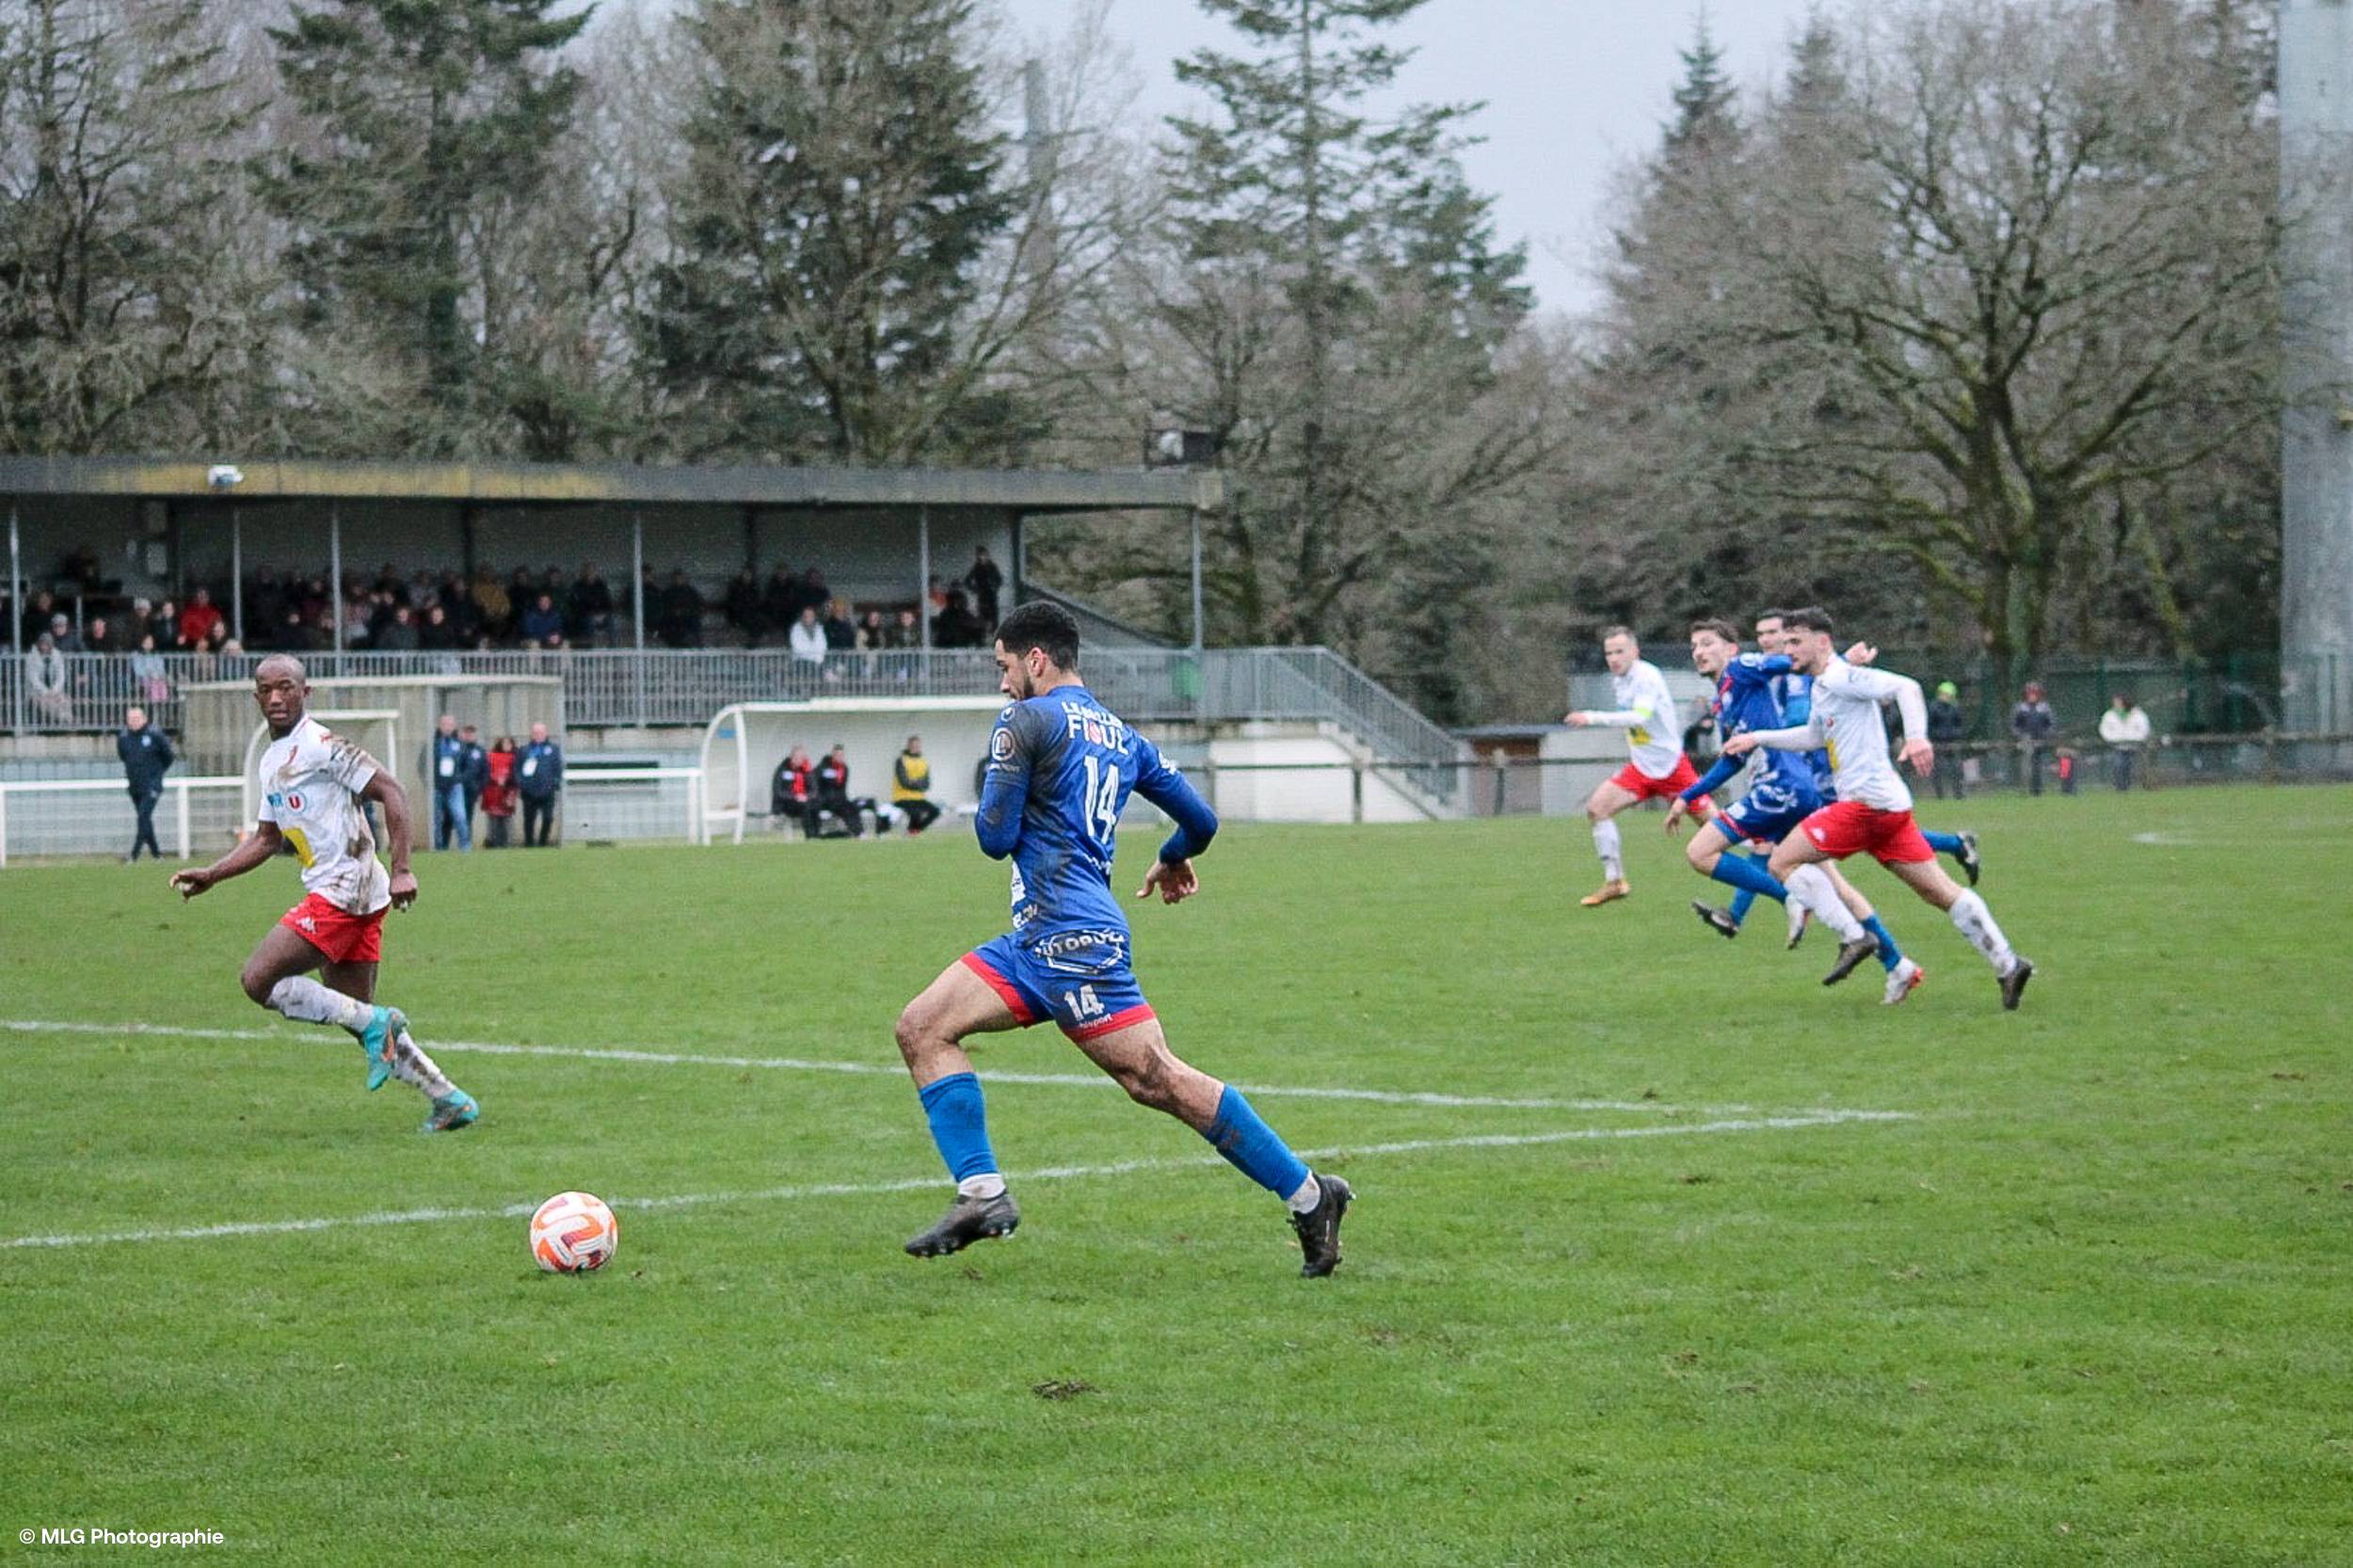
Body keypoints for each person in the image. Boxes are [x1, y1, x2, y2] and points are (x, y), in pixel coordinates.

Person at [890, 601, 1353, 1273]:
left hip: (1070, 938)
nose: (1002, 683)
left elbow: (993, 839)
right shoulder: (1121, 735)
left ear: (1036, 660)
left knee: (1157, 1079)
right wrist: (1172, 854)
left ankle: (1312, 1196)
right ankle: (983, 1194)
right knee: (922, 1026)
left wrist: (1007, 771)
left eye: (1004, 667)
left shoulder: (1025, 720)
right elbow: (1200, 820)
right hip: (1039, 938)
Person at [167, 655, 478, 1130]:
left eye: (286, 687)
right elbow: (267, 839)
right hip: (354, 893)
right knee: (360, 1019)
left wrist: (403, 869)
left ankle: (383, 1028)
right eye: (267, 690)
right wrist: (214, 874)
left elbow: (392, 791)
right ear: (256, 697)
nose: (276, 698)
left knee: (258, 981)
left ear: (305, 692)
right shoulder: (273, 761)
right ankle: (449, 1099)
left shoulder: (322, 745)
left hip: (344, 889)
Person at [1722, 608, 2034, 1009]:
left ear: (1822, 642)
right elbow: (1814, 736)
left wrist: (1918, 737)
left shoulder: (1840, 676)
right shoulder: (1823, 686)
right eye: (1785, 644)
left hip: (1865, 806)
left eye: (1795, 641)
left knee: (1782, 861)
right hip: (1889, 808)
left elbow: (1906, 688)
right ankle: (2008, 965)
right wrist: (1758, 738)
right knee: (1941, 893)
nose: (1789, 651)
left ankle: (1855, 937)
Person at [1665, 621, 1922, 1002]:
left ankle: (1790, 899)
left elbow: (1787, 662)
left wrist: (1840, 658)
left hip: (1778, 789)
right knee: (1834, 885)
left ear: (1731, 649)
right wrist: (1690, 795)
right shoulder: (1724, 698)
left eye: (1707, 644)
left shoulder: (1742, 667)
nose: (1698, 651)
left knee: (1700, 852)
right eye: (1693, 645)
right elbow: (1733, 760)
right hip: (1793, 790)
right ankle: (1898, 966)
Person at [1564, 626, 1711, 905]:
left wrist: (1592, 717)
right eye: (1609, 653)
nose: (1614, 658)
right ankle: (1615, 881)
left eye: (1620, 651)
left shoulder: (1646, 677)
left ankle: (1770, 853)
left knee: (1719, 829)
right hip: (1642, 768)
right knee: (1597, 809)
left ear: (1635, 651)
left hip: (1671, 769)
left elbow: (1639, 717)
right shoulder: (1621, 679)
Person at [117, 706, 175, 863]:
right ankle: (157, 855)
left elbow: (169, 756)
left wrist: (157, 775)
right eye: (130, 719)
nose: (133, 722)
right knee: (145, 820)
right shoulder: (123, 738)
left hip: (152, 786)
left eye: (136, 718)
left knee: (143, 816)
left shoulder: (155, 735)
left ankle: (134, 855)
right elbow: (124, 757)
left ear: (144, 719)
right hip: (135, 786)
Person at [815, 743, 882, 836]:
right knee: (846, 808)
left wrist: (844, 799)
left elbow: (842, 788)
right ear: (833, 755)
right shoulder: (823, 767)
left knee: (851, 807)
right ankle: (858, 833)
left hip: (839, 800)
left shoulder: (844, 769)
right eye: (837, 755)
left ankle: (860, 833)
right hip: (826, 801)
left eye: (841, 755)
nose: (839, 757)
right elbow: (816, 784)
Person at [426, 714, 472, 852]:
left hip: (454, 786)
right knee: (436, 819)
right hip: (437, 786)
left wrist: (460, 778)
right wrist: (430, 780)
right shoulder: (433, 744)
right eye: (444, 724)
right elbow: (423, 764)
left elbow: (467, 764)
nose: (447, 727)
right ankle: (438, 847)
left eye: (450, 724)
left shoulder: (460, 744)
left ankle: (465, 846)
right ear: (440, 726)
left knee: (460, 816)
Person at [517, 721, 564, 847]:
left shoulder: (553, 749)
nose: (538, 735)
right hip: (529, 792)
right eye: (535, 733)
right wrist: (523, 784)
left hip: (547, 791)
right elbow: (518, 769)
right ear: (532, 734)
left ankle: (543, 842)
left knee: (548, 818)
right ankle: (529, 844)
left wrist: (554, 784)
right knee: (529, 820)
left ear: (545, 733)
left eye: (541, 732)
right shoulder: (524, 750)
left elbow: (558, 768)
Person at [2010, 682, 2057, 795]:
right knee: (2026, 765)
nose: (2032, 696)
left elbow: (2051, 724)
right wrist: (2020, 736)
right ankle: (2024, 789)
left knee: (2038, 765)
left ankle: (2037, 789)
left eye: (2035, 693)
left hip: (2040, 740)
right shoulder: (2020, 708)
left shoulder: (2045, 708)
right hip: (2025, 740)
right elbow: (2014, 725)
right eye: (2030, 693)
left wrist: (2046, 735)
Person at [2099, 695, 2152, 791]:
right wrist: (2113, 739)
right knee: (2118, 765)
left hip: (2135, 746)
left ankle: (2131, 785)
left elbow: (2144, 729)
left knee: (2130, 767)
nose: (2116, 704)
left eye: (2118, 702)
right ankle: (2121, 787)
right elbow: (2104, 729)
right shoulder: (2109, 715)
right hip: (2117, 746)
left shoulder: (2138, 714)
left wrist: (2135, 739)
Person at [1927, 680, 1969, 800]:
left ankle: (1959, 794)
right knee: (1938, 769)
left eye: (1949, 695)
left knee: (1957, 768)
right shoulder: (1933, 708)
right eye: (1944, 694)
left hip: (1953, 742)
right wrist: (1936, 736)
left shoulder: (1955, 708)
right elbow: (1929, 726)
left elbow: (1960, 724)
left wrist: (1956, 734)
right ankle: (1940, 795)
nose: (1946, 697)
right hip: (1937, 742)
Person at [893, 735, 940, 835]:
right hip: (902, 797)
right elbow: (904, 782)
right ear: (908, 746)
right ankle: (912, 831)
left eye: (918, 746)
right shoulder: (901, 760)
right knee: (916, 813)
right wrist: (919, 784)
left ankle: (916, 830)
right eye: (914, 745)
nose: (916, 748)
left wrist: (914, 783)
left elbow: (927, 783)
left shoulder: (923, 761)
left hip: (918, 797)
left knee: (935, 811)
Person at [481, 736, 519, 848]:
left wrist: (508, 781)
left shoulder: (515, 757)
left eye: (509, 744)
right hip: (493, 791)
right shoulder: (491, 756)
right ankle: (492, 842)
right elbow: (486, 772)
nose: (507, 746)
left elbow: (516, 773)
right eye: (504, 743)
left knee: (506, 819)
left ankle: (506, 843)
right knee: (493, 818)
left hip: (508, 791)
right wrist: (495, 779)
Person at [24, 632, 71, 723]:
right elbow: (33, 679)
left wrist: (55, 690)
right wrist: (45, 692)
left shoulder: (57, 655)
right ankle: (62, 719)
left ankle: (68, 722)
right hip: (36, 691)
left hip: (54, 690)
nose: (45, 646)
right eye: (43, 644)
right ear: (39, 644)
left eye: (47, 644)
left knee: (65, 700)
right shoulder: (31, 657)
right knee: (45, 703)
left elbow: (61, 676)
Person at [771, 746, 817, 834]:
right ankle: (810, 835)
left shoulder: (807, 770)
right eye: (797, 757)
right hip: (787, 803)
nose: (800, 760)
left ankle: (816, 835)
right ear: (791, 757)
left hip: (804, 801)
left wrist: (806, 796)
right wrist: (795, 797)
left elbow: (814, 790)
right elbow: (777, 791)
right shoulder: (782, 769)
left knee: (815, 805)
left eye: (802, 758)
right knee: (806, 807)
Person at [457, 724, 488, 837]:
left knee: (468, 818)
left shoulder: (480, 751)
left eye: (471, 733)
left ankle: (466, 844)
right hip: (457, 789)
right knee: (454, 818)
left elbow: (485, 771)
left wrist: (480, 788)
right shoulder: (457, 749)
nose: (469, 736)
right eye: (467, 733)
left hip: (472, 790)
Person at [965, 544, 1003, 626]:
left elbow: (1000, 580)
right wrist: (975, 590)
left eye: (982, 554)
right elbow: (967, 581)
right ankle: (984, 634)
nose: (980, 557)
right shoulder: (976, 567)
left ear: (986, 555)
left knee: (994, 617)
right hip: (982, 595)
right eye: (978, 555)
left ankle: (995, 634)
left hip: (992, 595)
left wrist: (995, 587)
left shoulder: (992, 566)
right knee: (983, 616)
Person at [789, 605, 828, 684]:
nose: (808, 618)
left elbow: (823, 646)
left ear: (814, 617)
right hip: (800, 662)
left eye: (811, 616)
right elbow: (799, 648)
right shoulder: (796, 629)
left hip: (818, 662)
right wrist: (814, 654)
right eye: (806, 616)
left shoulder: (819, 628)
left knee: (829, 669)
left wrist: (817, 656)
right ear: (802, 617)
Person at [131, 632, 170, 705]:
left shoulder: (156, 655)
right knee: (154, 683)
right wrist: (149, 674)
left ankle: (164, 703)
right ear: (141, 643)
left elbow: (161, 668)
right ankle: (154, 702)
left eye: (150, 642)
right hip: (143, 679)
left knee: (162, 683)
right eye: (146, 642)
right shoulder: (136, 655)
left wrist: (159, 675)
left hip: (157, 677)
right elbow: (138, 670)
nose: (149, 644)